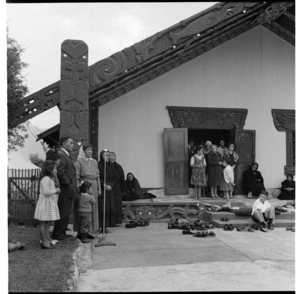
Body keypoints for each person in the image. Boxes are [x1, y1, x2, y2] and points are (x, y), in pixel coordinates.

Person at [52, 137, 78, 241]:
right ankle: (58, 233)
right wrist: (68, 184)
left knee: (66, 212)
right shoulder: (61, 154)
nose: (73, 145)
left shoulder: (65, 155)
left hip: (68, 189)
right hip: (65, 189)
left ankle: (62, 232)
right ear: (63, 143)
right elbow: (60, 171)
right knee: (63, 211)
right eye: (71, 143)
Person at [73, 144, 101, 235]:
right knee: (84, 208)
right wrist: (78, 188)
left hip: (94, 184)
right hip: (84, 185)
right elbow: (77, 177)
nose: (90, 152)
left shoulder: (95, 162)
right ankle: (82, 232)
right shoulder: (78, 162)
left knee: (93, 206)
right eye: (88, 150)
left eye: (91, 150)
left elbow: (97, 177)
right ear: (83, 151)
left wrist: (99, 188)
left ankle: (91, 230)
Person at [34, 160, 60, 249]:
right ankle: (44, 241)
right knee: (43, 223)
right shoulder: (45, 179)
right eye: (55, 168)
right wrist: (56, 190)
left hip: (49, 202)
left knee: (47, 222)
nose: (56, 170)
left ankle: (47, 237)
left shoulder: (50, 179)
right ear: (50, 169)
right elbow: (46, 192)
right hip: (45, 203)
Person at [98, 149, 116, 233]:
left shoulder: (111, 166)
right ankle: (101, 226)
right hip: (101, 189)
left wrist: (110, 185)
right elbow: (98, 177)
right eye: (105, 155)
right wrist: (103, 185)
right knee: (102, 209)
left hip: (109, 189)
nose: (107, 157)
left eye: (108, 155)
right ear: (101, 156)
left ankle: (105, 226)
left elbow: (114, 178)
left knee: (109, 209)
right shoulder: (98, 165)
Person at [109, 152, 125, 225]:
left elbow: (122, 178)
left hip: (117, 188)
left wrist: (122, 190)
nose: (112, 158)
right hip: (109, 187)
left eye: (113, 156)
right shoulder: (107, 166)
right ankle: (110, 222)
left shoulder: (118, 167)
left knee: (117, 205)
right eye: (110, 156)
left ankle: (117, 221)